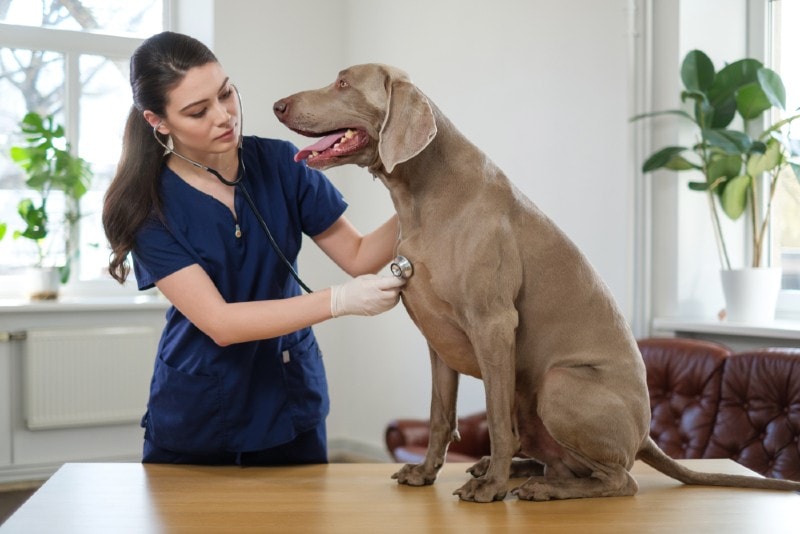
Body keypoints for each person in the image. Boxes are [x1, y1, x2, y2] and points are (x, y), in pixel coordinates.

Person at [102, 31, 405, 465]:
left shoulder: (282, 164)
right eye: (197, 111)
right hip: (201, 414)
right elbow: (221, 323)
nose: (223, 116)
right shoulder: (146, 206)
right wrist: (338, 301)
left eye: (226, 94)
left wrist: (426, 198)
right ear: (159, 121)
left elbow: (359, 257)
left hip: (290, 400)